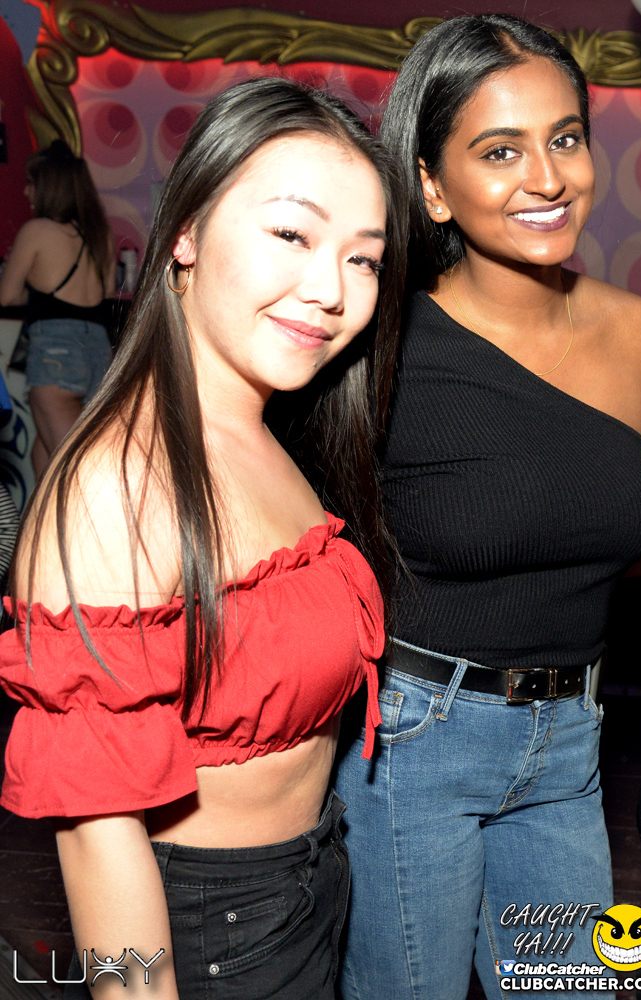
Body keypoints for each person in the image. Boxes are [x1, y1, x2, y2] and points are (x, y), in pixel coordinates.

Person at [0, 78, 404, 1000]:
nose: (331, 291)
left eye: (364, 258)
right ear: (184, 233)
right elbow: (97, 834)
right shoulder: (115, 485)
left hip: (310, 887)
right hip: (206, 933)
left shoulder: (265, 427)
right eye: (292, 234)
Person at [334, 14, 641, 1000]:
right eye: (499, 150)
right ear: (431, 184)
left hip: (570, 744)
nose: (547, 177)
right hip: (411, 743)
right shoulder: (374, 343)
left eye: (564, 138)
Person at [0, 140, 115, 477]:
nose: (26, 191)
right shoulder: (100, 234)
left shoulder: (36, 231)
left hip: (56, 352)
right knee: (46, 456)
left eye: (31, 183)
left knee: (75, 470)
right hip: (97, 351)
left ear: (48, 186)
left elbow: (6, 296)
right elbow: (106, 290)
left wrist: (38, 293)